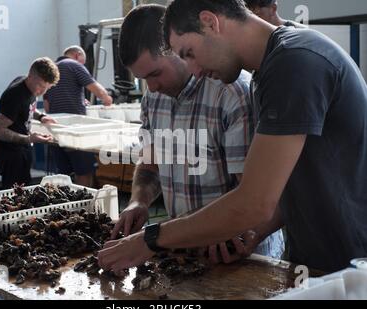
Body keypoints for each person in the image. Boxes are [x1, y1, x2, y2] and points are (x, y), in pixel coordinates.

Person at [98, 0, 367, 273]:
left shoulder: (294, 62)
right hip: (315, 257)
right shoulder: (270, 71)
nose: (194, 70)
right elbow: (282, 189)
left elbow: (255, 202)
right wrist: (252, 233)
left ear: (210, 22)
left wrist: (151, 239)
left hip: (352, 260)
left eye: (189, 52)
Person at [110, 4, 284, 263]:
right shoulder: (153, 99)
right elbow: (150, 163)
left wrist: (230, 233)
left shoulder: (232, 93)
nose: (153, 87)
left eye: (156, 73)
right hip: (183, 252)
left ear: (178, 49)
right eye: (144, 78)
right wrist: (139, 201)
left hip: (239, 255)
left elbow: (253, 199)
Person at [43, 46, 113, 187]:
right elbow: (95, 89)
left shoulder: (52, 69)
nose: (83, 64)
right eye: (83, 61)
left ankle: (67, 205)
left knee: (63, 175)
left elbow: (47, 104)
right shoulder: (74, 65)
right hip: (76, 131)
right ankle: (85, 206)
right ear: (77, 55)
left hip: (56, 131)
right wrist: (107, 99)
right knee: (84, 172)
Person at [0, 57, 60, 189]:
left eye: (47, 88)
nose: (42, 91)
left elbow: (26, 108)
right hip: (10, 152)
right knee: (13, 194)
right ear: (30, 76)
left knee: (25, 189)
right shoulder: (15, 95)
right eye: (40, 85)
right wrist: (29, 138)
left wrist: (41, 116)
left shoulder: (29, 85)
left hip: (23, 148)